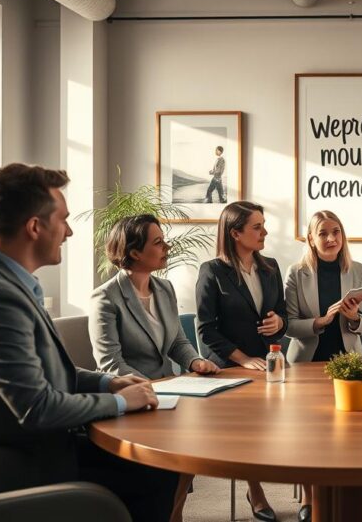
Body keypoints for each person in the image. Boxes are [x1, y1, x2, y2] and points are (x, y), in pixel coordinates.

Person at [0, 163, 179, 522]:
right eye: (62, 219)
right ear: (35, 227)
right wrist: (118, 402)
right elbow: (38, 408)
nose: (69, 231)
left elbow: (47, 372)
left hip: (37, 449)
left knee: (156, 465)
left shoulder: (11, 285)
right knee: (152, 472)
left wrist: (109, 381)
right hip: (16, 466)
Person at [89, 214, 221, 518]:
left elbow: (177, 342)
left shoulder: (165, 290)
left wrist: (196, 361)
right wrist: (152, 390)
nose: (167, 246)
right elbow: (110, 363)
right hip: (135, 398)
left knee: (194, 448)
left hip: (170, 393)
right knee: (172, 463)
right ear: (135, 252)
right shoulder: (105, 298)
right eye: (158, 242)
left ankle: (173, 513)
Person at [195, 200, 286, 521]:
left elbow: (282, 314)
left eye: (263, 224)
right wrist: (243, 359)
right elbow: (206, 330)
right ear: (235, 233)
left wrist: (279, 323)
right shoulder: (212, 272)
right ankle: (256, 491)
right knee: (249, 433)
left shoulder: (271, 267)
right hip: (230, 368)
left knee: (301, 424)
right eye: (257, 227)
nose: (265, 232)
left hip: (271, 363)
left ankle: (311, 494)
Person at [284, 210, 362, 522]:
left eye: (336, 231)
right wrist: (321, 321)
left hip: (349, 364)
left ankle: (350, 496)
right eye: (323, 233)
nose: (331, 238)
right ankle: (310, 499)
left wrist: (353, 318)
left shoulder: (356, 270)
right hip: (308, 364)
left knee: (352, 436)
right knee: (309, 437)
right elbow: (290, 326)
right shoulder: (296, 273)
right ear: (311, 238)